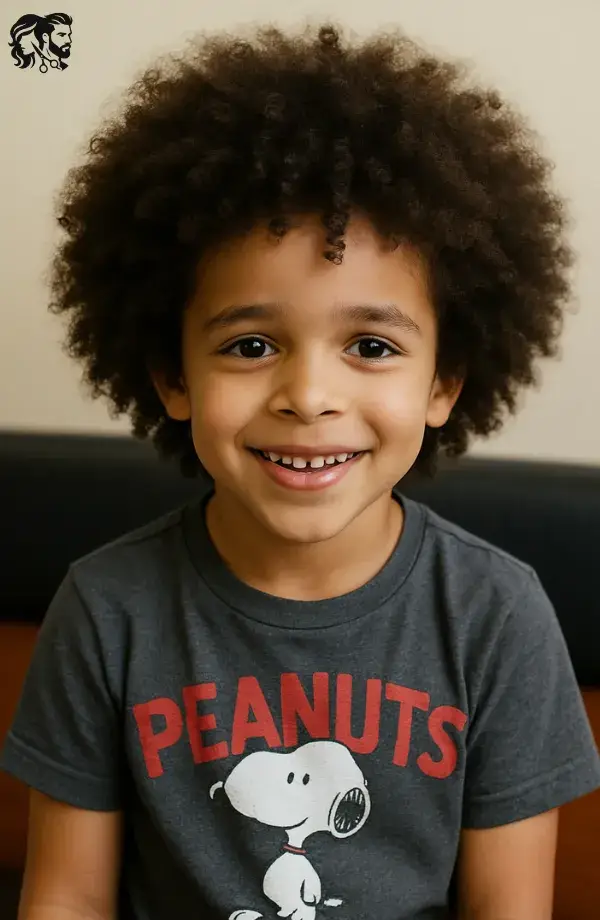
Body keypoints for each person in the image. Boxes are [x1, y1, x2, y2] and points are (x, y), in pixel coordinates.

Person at [1, 19, 599, 920]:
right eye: (251, 345)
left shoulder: (497, 618)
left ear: (443, 383)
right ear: (173, 378)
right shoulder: (106, 609)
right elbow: (68, 898)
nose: (309, 396)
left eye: (370, 345)